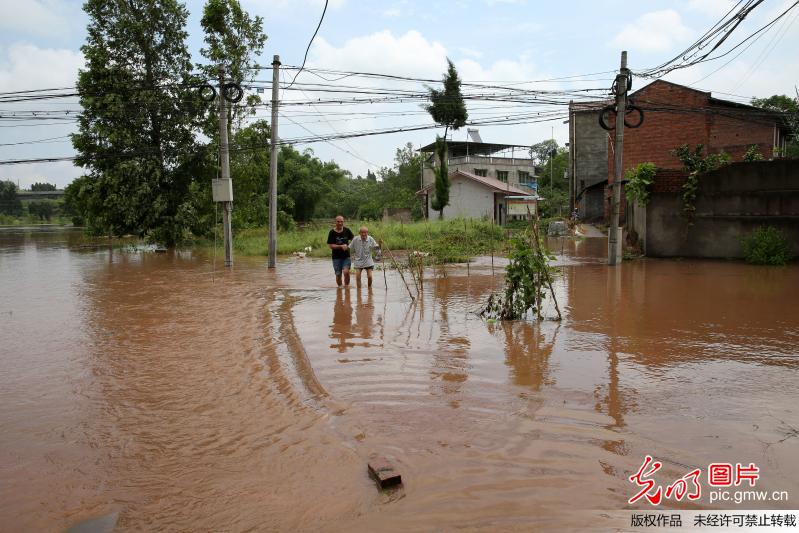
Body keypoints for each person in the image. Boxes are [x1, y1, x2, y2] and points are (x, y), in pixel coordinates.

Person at [327, 215, 354, 287]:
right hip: (336, 257)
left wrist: (349, 246)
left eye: (341, 221)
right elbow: (330, 245)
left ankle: (347, 287)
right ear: (335, 222)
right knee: (338, 275)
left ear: (343, 222)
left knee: (346, 272)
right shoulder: (332, 232)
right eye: (338, 221)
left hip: (346, 256)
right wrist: (341, 246)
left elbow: (353, 240)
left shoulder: (347, 230)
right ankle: (340, 288)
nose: (340, 223)